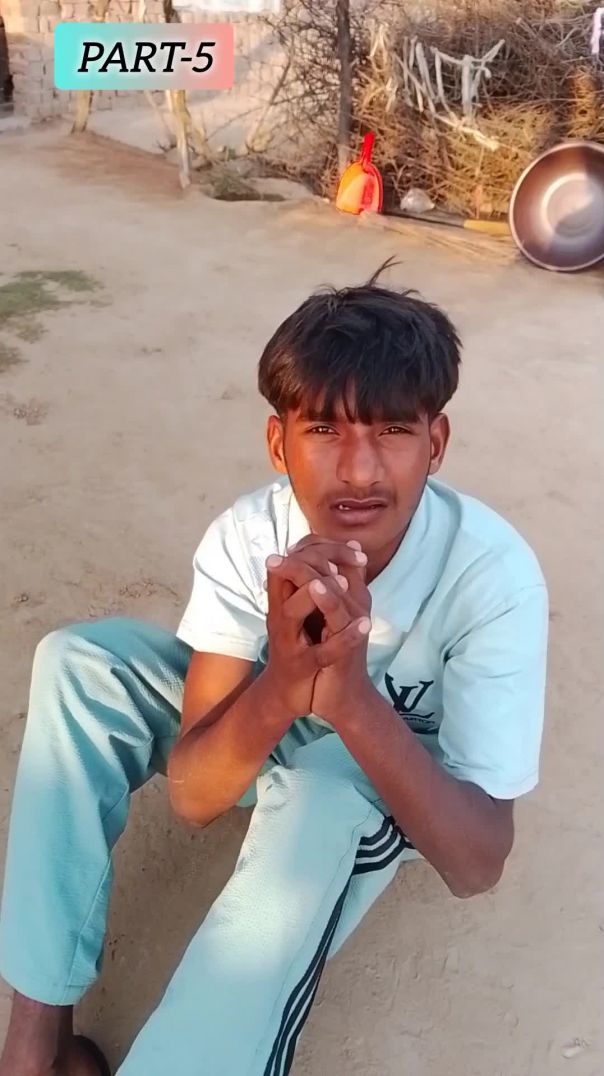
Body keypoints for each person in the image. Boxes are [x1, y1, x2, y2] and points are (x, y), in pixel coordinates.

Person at [0, 262, 549, 1076]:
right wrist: (289, 682)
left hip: (384, 769)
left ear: (435, 443)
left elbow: (476, 861)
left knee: (320, 793)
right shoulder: (248, 537)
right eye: (324, 430)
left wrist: (350, 698)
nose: (359, 471)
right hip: (271, 720)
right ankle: (33, 1038)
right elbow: (196, 797)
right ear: (277, 442)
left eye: (392, 431)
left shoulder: (492, 577)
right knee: (82, 666)